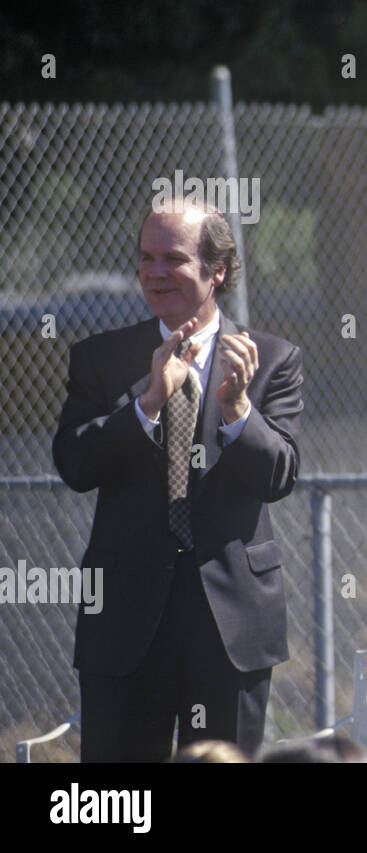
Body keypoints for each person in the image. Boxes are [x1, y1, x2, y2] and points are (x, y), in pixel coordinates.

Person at [53, 197, 303, 761]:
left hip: (229, 626)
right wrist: (148, 402)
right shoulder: (102, 358)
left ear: (216, 272)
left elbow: (280, 474)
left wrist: (239, 409)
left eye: (173, 259)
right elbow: (75, 463)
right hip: (125, 622)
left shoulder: (270, 358)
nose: (155, 273)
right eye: (146, 258)